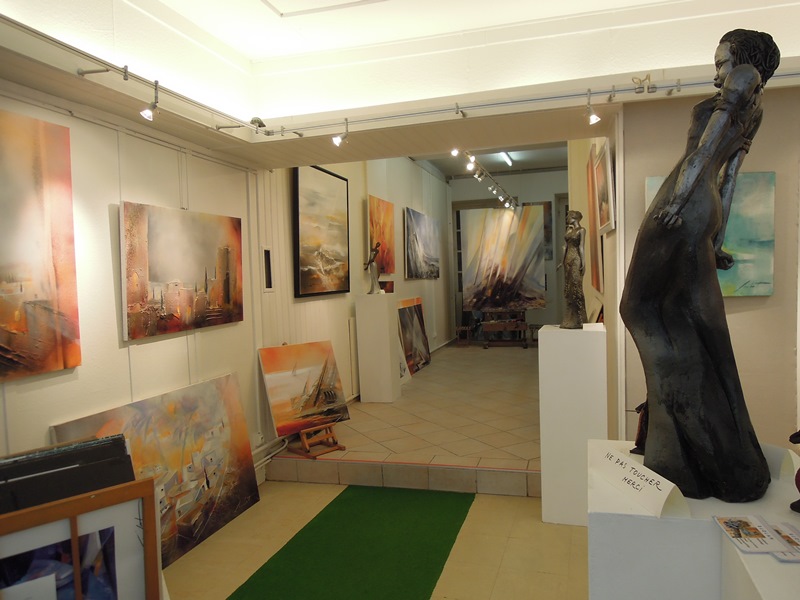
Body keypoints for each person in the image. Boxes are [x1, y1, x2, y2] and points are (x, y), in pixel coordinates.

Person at [619, 29, 780, 502]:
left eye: (721, 63)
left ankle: (680, 441)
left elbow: (705, 152)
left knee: (637, 307)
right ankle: (692, 443)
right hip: (703, 206)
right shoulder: (755, 108)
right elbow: (729, 180)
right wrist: (716, 234)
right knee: (686, 317)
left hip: (683, 198)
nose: (717, 74)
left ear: (743, 61)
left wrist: (677, 201)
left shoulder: (743, 79)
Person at [560, 210, 588, 329]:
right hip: (568, 260)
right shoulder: (569, 230)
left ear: (574, 217)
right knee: (568, 287)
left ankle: (579, 318)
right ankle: (569, 317)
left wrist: (583, 262)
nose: (567, 218)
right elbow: (565, 246)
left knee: (576, 286)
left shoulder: (581, 230)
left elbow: (581, 247)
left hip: (576, 259)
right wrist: (562, 261)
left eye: (569, 216)